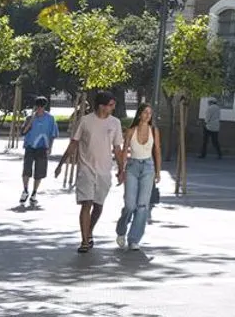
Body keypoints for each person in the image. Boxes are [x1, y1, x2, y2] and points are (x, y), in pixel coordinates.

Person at [58, 90, 126, 254]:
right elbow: (74, 142)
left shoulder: (115, 123)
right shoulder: (86, 121)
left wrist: (121, 169)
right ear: (102, 106)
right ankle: (83, 240)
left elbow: (117, 148)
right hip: (86, 169)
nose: (113, 108)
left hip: (104, 170)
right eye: (111, 105)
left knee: (98, 206)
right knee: (86, 204)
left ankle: (89, 231)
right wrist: (62, 162)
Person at [113, 103, 162, 251]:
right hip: (132, 167)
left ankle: (134, 239)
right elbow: (123, 152)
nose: (148, 115)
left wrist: (158, 172)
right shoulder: (131, 131)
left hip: (148, 167)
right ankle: (121, 230)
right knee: (130, 205)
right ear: (139, 114)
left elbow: (157, 151)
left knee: (142, 206)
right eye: (145, 112)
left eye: (150, 113)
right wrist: (121, 170)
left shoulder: (154, 131)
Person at [18, 97, 58, 210]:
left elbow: (52, 134)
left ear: (44, 107)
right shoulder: (30, 117)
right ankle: (25, 190)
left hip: (42, 147)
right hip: (30, 146)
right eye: (37, 106)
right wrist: (31, 121)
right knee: (26, 169)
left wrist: (50, 147)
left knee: (39, 171)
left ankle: (34, 192)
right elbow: (23, 132)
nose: (39, 108)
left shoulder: (50, 119)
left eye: (41, 106)